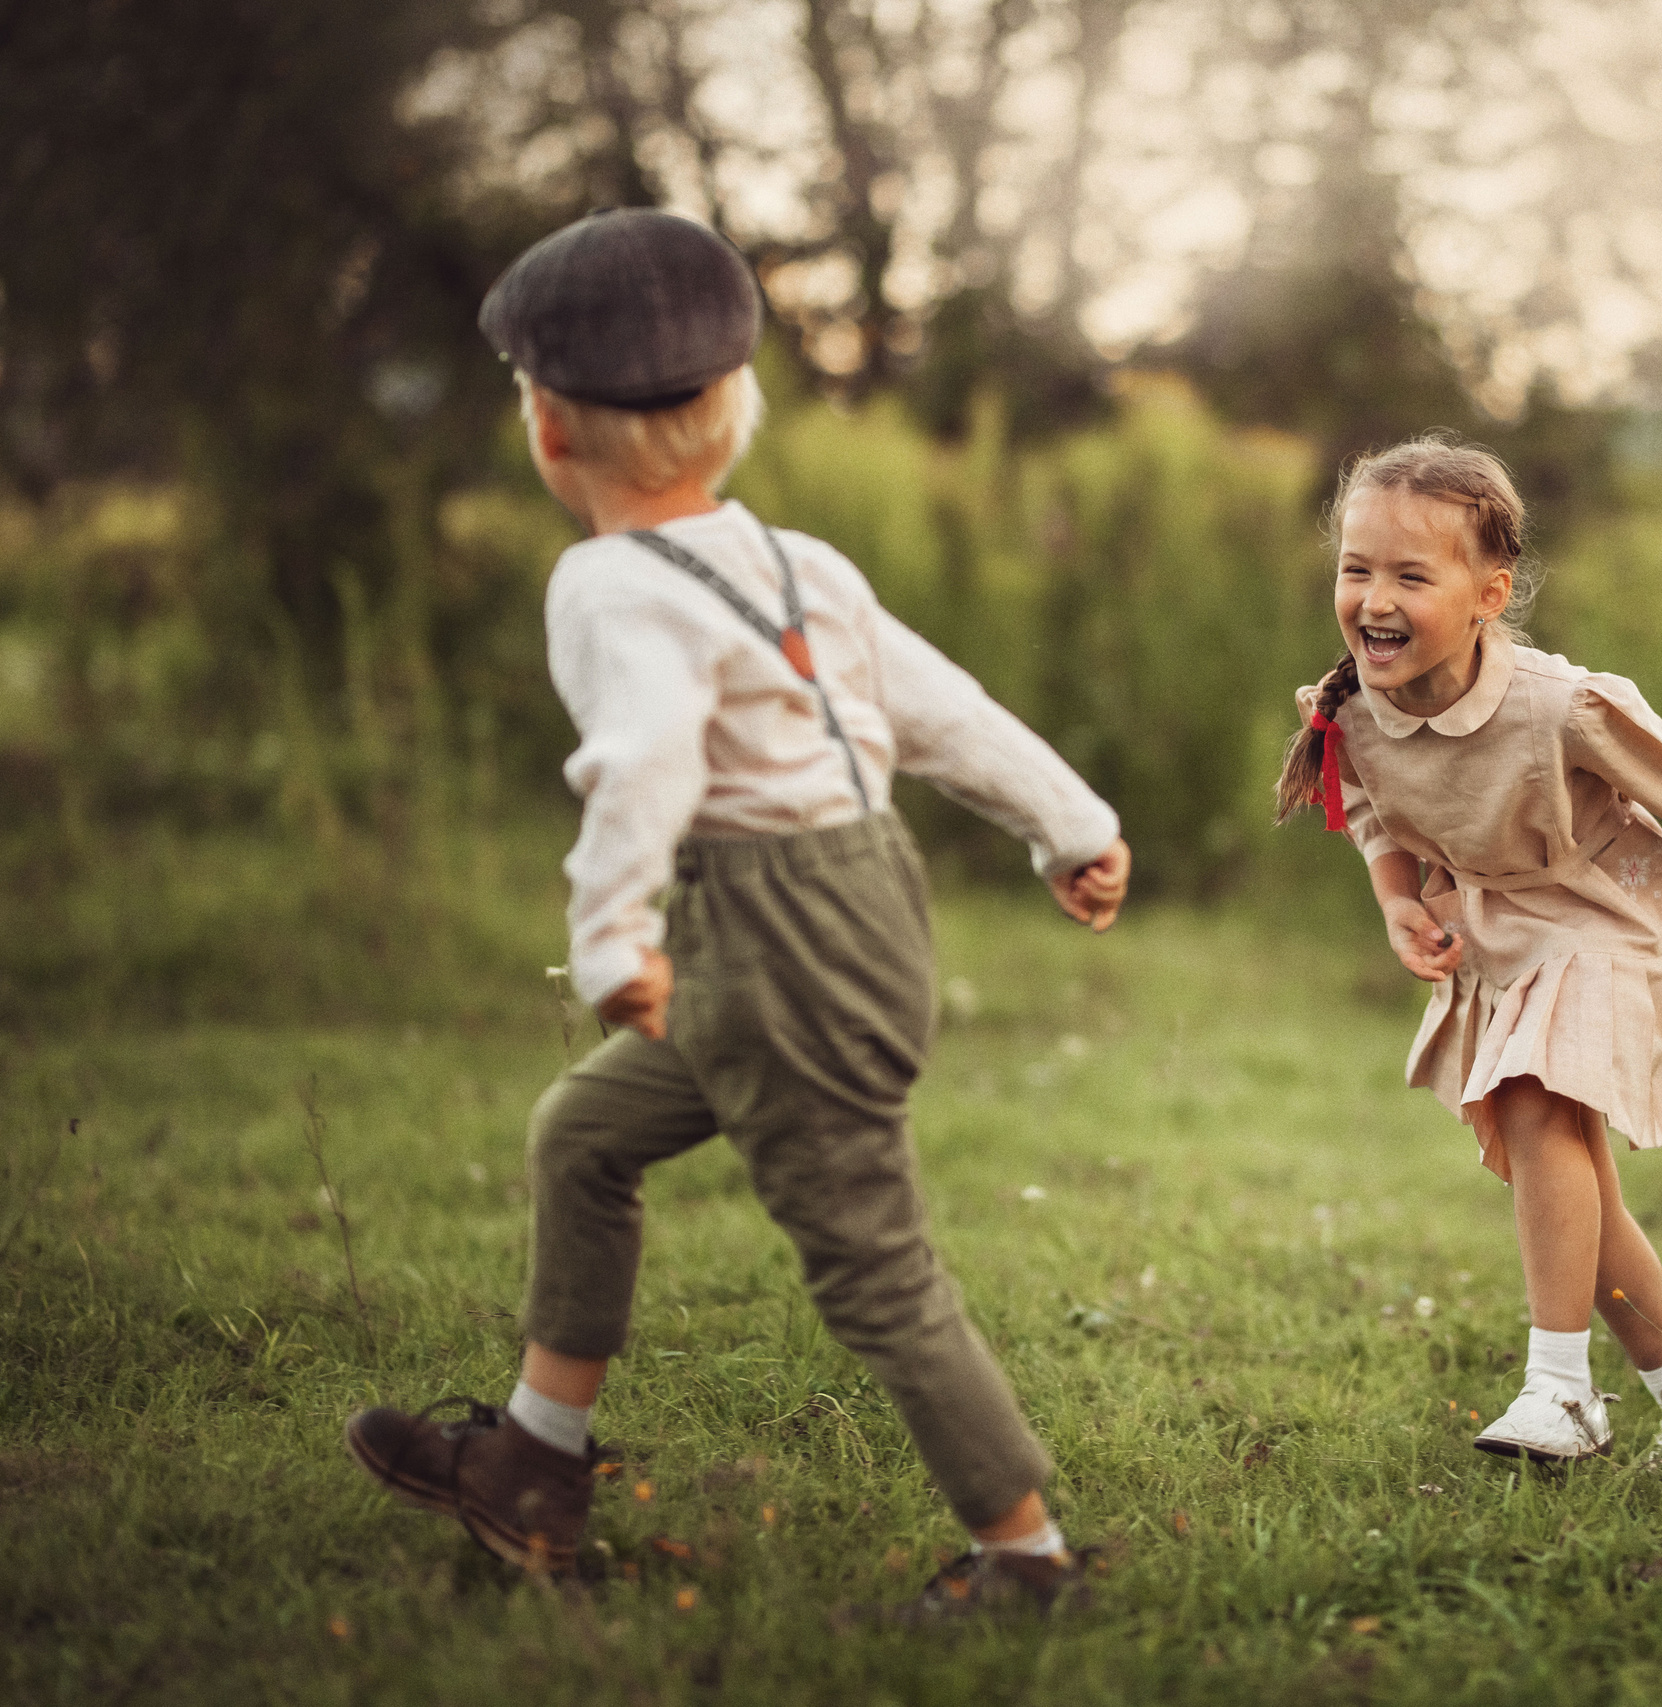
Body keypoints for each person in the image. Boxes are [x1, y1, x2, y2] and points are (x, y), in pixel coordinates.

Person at [343, 209, 1130, 1614]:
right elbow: (935, 703)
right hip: (850, 909)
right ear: (735, 408)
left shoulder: (605, 585)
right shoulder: (795, 559)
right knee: (581, 1134)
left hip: (768, 946)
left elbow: (644, 762)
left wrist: (609, 936)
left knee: (874, 1264)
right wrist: (1070, 817)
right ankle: (534, 1460)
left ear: (547, 428)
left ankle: (1027, 1558)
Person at [1277, 435, 1662, 1466]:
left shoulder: (1557, 704)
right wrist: (1397, 904)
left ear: (1489, 593)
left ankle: (1560, 1392)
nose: (1373, 599)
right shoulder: (1349, 707)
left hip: (1615, 918)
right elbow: (1374, 813)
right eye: (1355, 569)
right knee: (1566, 1187)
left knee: (1528, 1104)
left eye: (1409, 575)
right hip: (1505, 939)